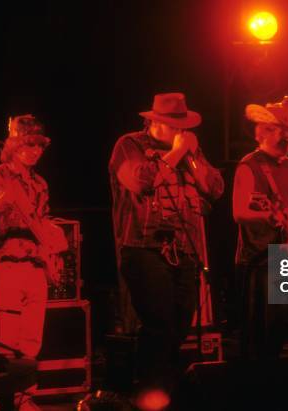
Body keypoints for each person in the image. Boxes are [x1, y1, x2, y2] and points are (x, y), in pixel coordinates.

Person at [108, 93, 224, 395]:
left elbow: (215, 188)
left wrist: (193, 158)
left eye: (182, 126)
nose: (180, 131)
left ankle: (166, 389)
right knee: (158, 322)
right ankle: (148, 390)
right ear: (154, 122)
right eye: (174, 125)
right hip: (144, 246)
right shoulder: (129, 145)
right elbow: (141, 182)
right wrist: (175, 155)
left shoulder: (187, 150)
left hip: (184, 248)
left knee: (181, 322)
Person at [0, 114, 66, 410]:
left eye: (40, 146)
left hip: (35, 266)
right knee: (4, 339)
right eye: (29, 145)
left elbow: (42, 224)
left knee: (31, 341)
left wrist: (51, 257)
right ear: (14, 146)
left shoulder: (40, 183)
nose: (36, 151)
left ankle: (24, 398)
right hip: (6, 265)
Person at [233, 95, 288, 360]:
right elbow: (239, 212)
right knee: (260, 331)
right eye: (285, 135)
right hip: (259, 259)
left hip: (284, 255)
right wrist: (268, 218)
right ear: (268, 132)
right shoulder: (249, 166)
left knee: (280, 326)